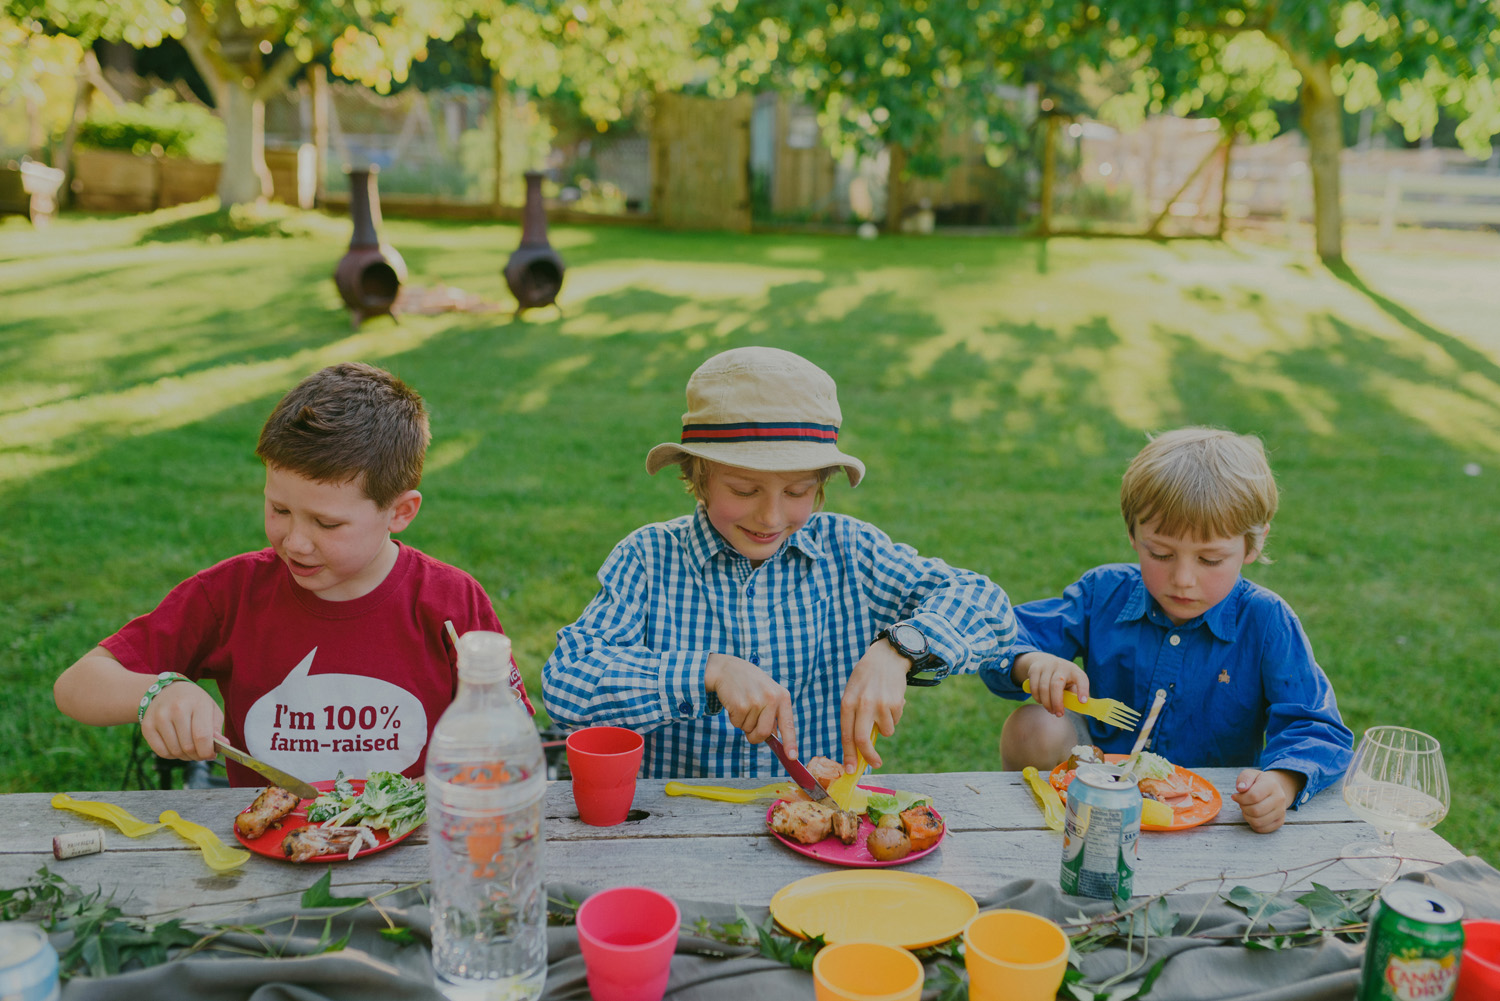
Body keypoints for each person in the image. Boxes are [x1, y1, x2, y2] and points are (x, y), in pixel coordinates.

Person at [543, 346, 1017, 779]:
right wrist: (709, 671)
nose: (770, 516)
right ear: (698, 476)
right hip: (678, 828)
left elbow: (988, 605)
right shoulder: (648, 559)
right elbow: (566, 687)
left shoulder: (850, 552)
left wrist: (900, 648)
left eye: (797, 492)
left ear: (821, 484)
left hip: (819, 824)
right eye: (743, 490)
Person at [54, 362, 531, 786]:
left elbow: (512, 734)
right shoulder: (230, 596)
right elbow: (76, 686)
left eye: (327, 523)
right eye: (279, 509)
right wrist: (157, 691)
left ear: (400, 512)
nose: (295, 542)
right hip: (270, 854)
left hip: (416, 854)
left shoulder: (450, 601)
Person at [981, 427, 1353, 833]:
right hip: (1091, 794)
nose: (1183, 579)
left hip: (1212, 816)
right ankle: (1038, 839)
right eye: (1161, 553)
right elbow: (997, 636)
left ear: (1253, 545)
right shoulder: (1102, 593)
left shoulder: (1266, 621)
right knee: (1032, 725)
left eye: (1210, 560)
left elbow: (1317, 727)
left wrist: (1282, 782)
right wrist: (1031, 662)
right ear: (1133, 535)